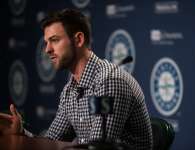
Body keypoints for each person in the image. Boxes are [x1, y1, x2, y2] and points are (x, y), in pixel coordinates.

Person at [0, 8, 153, 150]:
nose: (47, 49)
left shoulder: (109, 82)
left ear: (79, 40)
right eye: (47, 42)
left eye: (54, 40)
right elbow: (51, 141)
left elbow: (98, 148)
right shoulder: (70, 90)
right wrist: (21, 133)